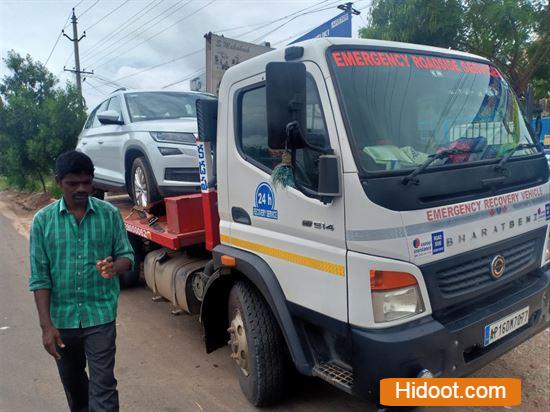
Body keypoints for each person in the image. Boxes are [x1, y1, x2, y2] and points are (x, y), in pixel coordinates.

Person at [29, 151, 134, 412]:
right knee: (75, 387)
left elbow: (127, 256)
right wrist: (46, 326)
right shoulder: (43, 221)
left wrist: (114, 267)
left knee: (104, 386)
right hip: (62, 321)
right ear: (58, 182)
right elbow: (39, 276)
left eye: (87, 182)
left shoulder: (109, 214)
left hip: (99, 316)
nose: (81, 189)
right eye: (72, 183)